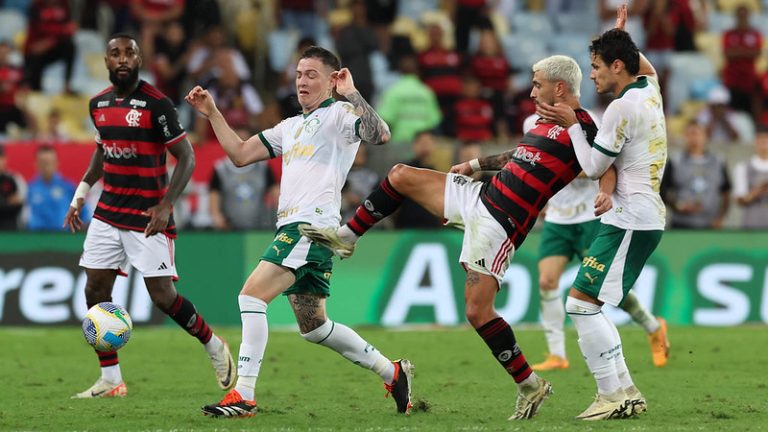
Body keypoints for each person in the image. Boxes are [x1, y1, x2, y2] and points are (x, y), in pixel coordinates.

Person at [301, 53, 602, 420]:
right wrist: (476, 165)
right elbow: (520, 155)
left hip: (502, 222)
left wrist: (581, 141)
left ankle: (530, 385)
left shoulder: (584, 127)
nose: (531, 90)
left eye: (537, 84)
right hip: (482, 195)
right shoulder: (544, 120)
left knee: (477, 312)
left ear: (560, 87)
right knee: (400, 175)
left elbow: (596, 165)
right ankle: (347, 236)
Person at [185, 45, 413, 418]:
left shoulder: (340, 114)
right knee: (314, 327)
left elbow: (381, 134)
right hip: (302, 229)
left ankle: (243, 394)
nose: (302, 81)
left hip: (309, 227)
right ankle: (393, 371)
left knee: (251, 297)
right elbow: (241, 154)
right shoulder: (289, 127)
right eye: (298, 74)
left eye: (311, 75)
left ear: (331, 80)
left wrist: (352, 94)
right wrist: (212, 113)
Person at [63, 33, 234, 399]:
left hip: (147, 215)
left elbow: (187, 157)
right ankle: (110, 379)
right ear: (106, 62)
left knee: (163, 297)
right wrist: (80, 195)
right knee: (94, 289)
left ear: (139, 59)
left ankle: (213, 344)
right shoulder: (98, 104)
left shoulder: (157, 104)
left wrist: (166, 204)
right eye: (114, 54)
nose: (122, 59)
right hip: (108, 212)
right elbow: (102, 152)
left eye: (129, 53)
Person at [535, 5, 667, 420]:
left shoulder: (620, 109)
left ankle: (612, 395)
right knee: (585, 302)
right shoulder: (648, 87)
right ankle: (626, 390)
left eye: (596, 67)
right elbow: (639, 62)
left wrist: (573, 123)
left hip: (631, 217)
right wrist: (620, 38)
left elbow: (593, 168)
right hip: (636, 217)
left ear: (616, 66)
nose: (591, 75)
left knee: (580, 304)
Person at [530, 112, 670, 372]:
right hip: (557, 218)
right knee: (546, 281)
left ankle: (652, 326)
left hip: (590, 215)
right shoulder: (532, 125)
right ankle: (557, 353)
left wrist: (566, 170)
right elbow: (534, 166)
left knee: (601, 285)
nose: (535, 94)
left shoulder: (588, 122)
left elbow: (603, 164)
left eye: (540, 87)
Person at [661, 121, 731, 229]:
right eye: (689, 134)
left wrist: (720, 218)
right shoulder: (675, 161)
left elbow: (726, 193)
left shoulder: (718, 162)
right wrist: (678, 205)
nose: (693, 138)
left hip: (711, 225)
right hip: (681, 224)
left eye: (697, 133)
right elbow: (663, 191)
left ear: (705, 136)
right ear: (684, 137)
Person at [28, 145, 83, 231]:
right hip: (36, 237)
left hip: (62, 237)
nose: (46, 166)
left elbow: (84, 213)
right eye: (43, 162)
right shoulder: (30, 188)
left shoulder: (69, 187)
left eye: (49, 162)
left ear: (56, 163)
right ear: (36, 164)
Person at [733, 130, 768, 229]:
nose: (763, 142)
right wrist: (757, 191)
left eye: (766, 139)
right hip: (752, 225)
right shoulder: (743, 167)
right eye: (760, 139)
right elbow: (740, 200)